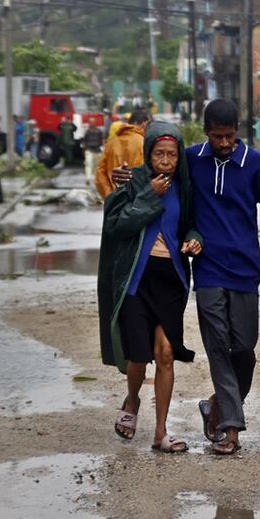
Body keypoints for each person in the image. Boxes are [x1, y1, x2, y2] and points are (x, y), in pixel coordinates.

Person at [114, 99, 260, 456]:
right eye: (217, 136)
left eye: (229, 136)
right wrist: (127, 177)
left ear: (238, 132)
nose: (224, 143)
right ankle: (231, 429)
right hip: (208, 270)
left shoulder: (254, 163)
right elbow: (158, 167)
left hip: (245, 271)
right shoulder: (192, 159)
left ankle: (216, 405)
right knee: (218, 349)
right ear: (205, 132)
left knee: (244, 348)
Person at [98, 121, 204, 453]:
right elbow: (117, 225)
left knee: (166, 353)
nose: (166, 160)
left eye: (172, 154)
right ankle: (132, 399)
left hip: (170, 280)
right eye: (159, 154)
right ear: (148, 153)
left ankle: (161, 432)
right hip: (137, 280)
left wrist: (194, 240)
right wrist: (148, 195)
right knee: (138, 356)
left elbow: (191, 225)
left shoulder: (185, 188)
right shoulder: (134, 183)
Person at [95, 110, 150, 198]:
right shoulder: (143, 143)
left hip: (114, 198)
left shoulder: (111, 143)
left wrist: (109, 196)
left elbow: (100, 174)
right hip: (137, 200)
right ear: (144, 124)